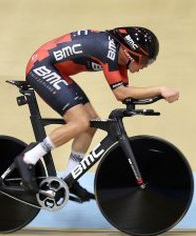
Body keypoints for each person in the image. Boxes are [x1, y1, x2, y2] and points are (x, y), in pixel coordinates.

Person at [15, 27, 180, 202]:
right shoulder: (107, 50)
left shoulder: (119, 55)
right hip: (41, 67)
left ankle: (70, 179)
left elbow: (126, 93)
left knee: (91, 124)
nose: (144, 67)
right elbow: (121, 93)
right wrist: (160, 90)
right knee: (80, 122)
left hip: (54, 68)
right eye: (145, 61)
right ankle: (28, 158)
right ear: (130, 53)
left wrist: (156, 96)